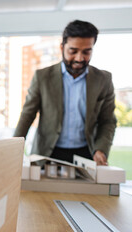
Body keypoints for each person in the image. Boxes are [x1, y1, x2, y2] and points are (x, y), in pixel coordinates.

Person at [14, 20, 117, 165]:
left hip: (86, 154)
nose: (79, 58)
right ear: (62, 47)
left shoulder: (104, 80)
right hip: (48, 153)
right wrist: (13, 149)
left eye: (86, 51)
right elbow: (28, 114)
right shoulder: (42, 77)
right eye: (73, 51)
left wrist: (101, 149)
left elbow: (108, 121)